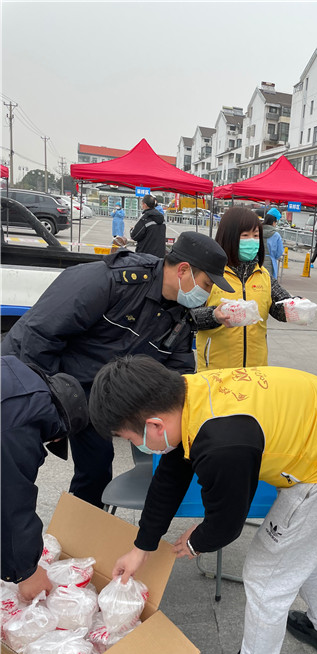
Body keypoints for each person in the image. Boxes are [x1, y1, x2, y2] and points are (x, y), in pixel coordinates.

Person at [88, 355, 317, 654]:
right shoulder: (186, 395)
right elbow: (171, 475)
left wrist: (196, 542)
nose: (133, 444)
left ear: (153, 425)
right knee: (297, 545)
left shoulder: (222, 443)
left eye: (128, 437)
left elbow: (226, 523)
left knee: (266, 573)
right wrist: (142, 546)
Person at [2, 232, 234, 508]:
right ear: (184, 270)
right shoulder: (111, 282)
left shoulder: (180, 314)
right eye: (207, 284)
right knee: (16, 467)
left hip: (102, 399)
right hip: (50, 382)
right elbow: (37, 335)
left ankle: (82, 531)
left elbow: (178, 371)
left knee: (97, 470)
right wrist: (47, 401)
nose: (207, 294)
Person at [1, 355, 88, 601]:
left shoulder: (16, 376)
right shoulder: (17, 421)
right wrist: (26, 572)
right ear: (59, 433)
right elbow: (11, 502)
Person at [194, 206, 294, 371]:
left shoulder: (264, 276)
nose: (252, 241)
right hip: (216, 371)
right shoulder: (208, 275)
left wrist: (295, 305)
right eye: (245, 235)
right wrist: (214, 315)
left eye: (256, 236)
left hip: (255, 371)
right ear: (229, 237)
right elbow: (189, 317)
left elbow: (281, 307)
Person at [130, 194, 166, 259]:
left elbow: (134, 236)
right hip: (159, 256)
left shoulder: (145, 218)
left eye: (142, 203)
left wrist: (132, 230)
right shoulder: (162, 219)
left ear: (145, 205)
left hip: (145, 257)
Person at [262, 209, 284, 277]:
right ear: (273, 222)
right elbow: (279, 252)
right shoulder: (276, 235)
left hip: (258, 261)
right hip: (271, 262)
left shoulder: (257, 231)